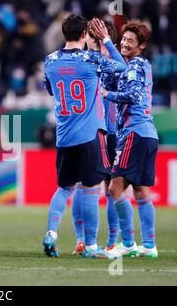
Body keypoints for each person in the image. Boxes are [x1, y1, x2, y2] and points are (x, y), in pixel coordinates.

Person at [42, 14, 126, 259]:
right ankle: (90, 245)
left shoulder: (50, 61)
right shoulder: (91, 59)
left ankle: (51, 232)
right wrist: (107, 40)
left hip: (64, 135)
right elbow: (120, 67)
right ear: (83, 35)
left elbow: (49, 88)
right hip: (90, 134)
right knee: (91, 188)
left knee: (64, 188)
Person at [94, 20, 159, 258]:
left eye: (131, 41)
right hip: (147, 133)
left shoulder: (135, 65)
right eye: (124, 39)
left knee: (115, 187)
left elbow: (133, 94)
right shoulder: (143, 65)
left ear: (141, 45)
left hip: (134, 132)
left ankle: (129, 244)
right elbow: (119, 74)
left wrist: (106, 94)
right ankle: (149, 246)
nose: (125, 43)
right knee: (141, 191)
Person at [70, 19, 124, 256]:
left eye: (93, 37)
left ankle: (112, 240)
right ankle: (82, 240)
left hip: (111, 132)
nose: (88, 41)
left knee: (112, 188)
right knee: (83, 186)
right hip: (89, 131)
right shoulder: (83, 62)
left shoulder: (109, 63)